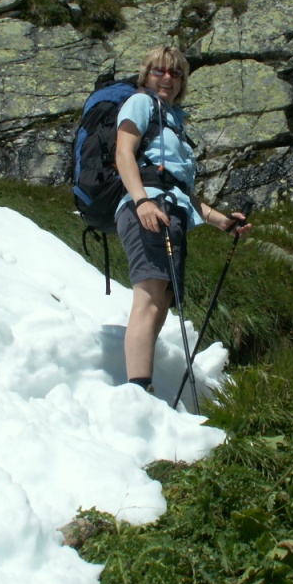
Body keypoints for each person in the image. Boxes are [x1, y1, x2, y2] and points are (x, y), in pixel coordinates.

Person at [114, 45, 250, 393]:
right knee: (149, 295)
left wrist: (223, 222)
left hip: (170, 208)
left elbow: (181, 190)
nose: (168, 77)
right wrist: (142, 201)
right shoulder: (140, 103)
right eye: (159, 70)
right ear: (146, 74)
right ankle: (137, 391)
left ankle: (142, 385)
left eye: (176, 73)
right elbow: (123, 152)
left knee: (162, 299)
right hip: (148, 206)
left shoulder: (174, 121)